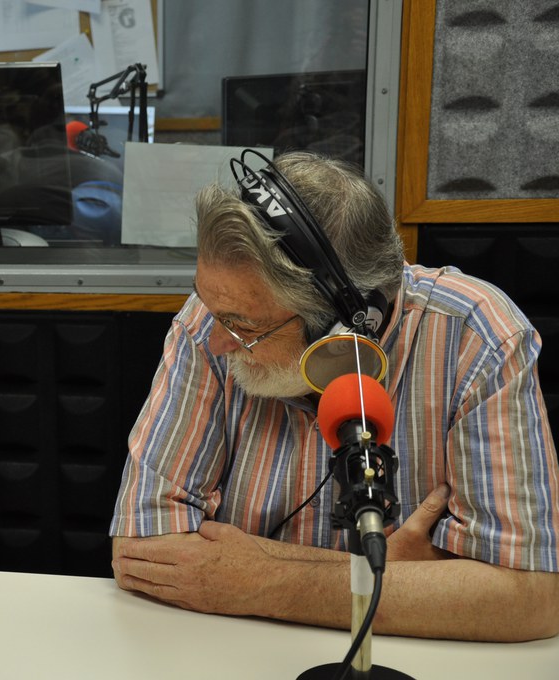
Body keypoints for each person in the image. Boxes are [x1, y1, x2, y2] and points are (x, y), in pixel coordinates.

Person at [109, 150, 559, 642]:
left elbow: (529, 598)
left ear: (340, 330)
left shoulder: (478, 335)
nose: (217, 342)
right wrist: (391, 579)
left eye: (245, 329)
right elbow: (140, 551)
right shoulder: (219, 313)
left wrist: (262, 579)